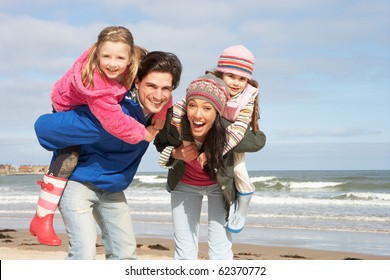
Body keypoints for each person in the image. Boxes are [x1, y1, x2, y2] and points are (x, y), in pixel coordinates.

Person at [29, 26, 171, 246]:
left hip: (111, 185)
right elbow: (114, 122)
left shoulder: (138, 64)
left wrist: (161, 113)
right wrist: (144, 133)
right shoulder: (97, 87)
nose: (112, 63)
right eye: (106, 56)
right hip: (67, 105)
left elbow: (163, 84)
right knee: (68, 157)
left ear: (130, 56)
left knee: (123, 251)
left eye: (119, 57)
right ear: (97, 54)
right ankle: (42, 217)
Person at [154, 73, 266, 259]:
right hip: (183, 185)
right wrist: (176, 153)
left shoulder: (229, 130)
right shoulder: (175, 123)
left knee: (220, 250)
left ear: (217, 112)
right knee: (184, 250)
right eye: (192, 106)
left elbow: (258, 140)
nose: (198, 114)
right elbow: (159, 142)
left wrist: (219, 146)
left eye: (207, 108)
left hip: (219, 187)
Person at [170, 45, 260, 233]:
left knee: (239, 168)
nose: (236, 83)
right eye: (231, 76)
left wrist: (214, 151)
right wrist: (182, 130)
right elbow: (181, 107)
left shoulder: (247, 97)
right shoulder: (209, 86)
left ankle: (244, 197)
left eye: (242, 78)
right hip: (205, 144)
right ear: (220, 73)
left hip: (232, 136)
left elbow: (240, 128)